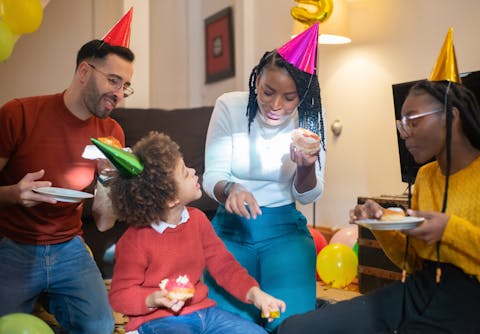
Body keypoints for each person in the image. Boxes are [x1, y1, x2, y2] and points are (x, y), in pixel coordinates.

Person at [278, 79, 480, 333]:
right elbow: (412, 263)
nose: (404, 132)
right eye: (401, 123)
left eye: (413, 121)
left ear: (451, 116)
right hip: (421, 289)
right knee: (296, 329)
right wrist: (380, 223)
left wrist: (450, 230)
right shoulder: (426, 177)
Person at [0, 38, 135, 333]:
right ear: (84, 72)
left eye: (125, 86)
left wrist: (108, 177)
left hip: (69, 247)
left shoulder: (112, 132)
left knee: (101, 327)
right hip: (13, 243)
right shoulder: (18, 114)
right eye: (114, 81)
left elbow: (103, 223)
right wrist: (13, 194)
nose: (120, 94)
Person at [202, 23, 326, 332]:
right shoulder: (229, 106)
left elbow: (308, 194)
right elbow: (212, 175)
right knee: (225, 326)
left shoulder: (309, 119)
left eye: (289, 98)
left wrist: (307, 167)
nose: (275, 106)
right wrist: (231, 188)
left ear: (302, 96)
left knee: (291, 326)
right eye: (268, 92)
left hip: (285, 233)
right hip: (231, 231)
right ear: (256, 80)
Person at [105, 131, 286, 334]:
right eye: (184, 173)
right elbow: (120, 295)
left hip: (205, 312)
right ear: (170, 200)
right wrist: (153, 299)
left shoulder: (197, 220)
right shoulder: (134, 241)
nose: (193, 171)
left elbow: (224, 266)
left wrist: (255, 294)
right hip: (159, 320)